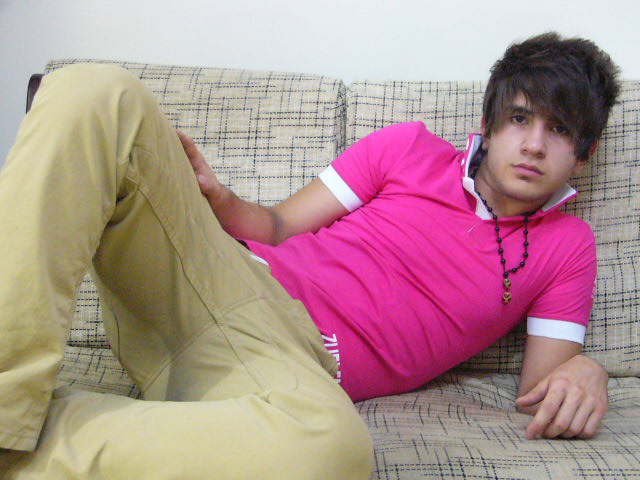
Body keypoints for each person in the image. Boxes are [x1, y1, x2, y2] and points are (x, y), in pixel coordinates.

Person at [0, 32, 619, 479]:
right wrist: (218, 200)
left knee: (330, 452)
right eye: (520, 118)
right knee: (96, 90)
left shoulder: (568, 247)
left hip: (283, 369)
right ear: (489, 121)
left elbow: (543, 386)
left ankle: (24, 437)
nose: (534, 144)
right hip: (222, 278)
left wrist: (588, 371)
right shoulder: (407, 149)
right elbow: (275, 226)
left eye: (559, 130)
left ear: (583, 153)